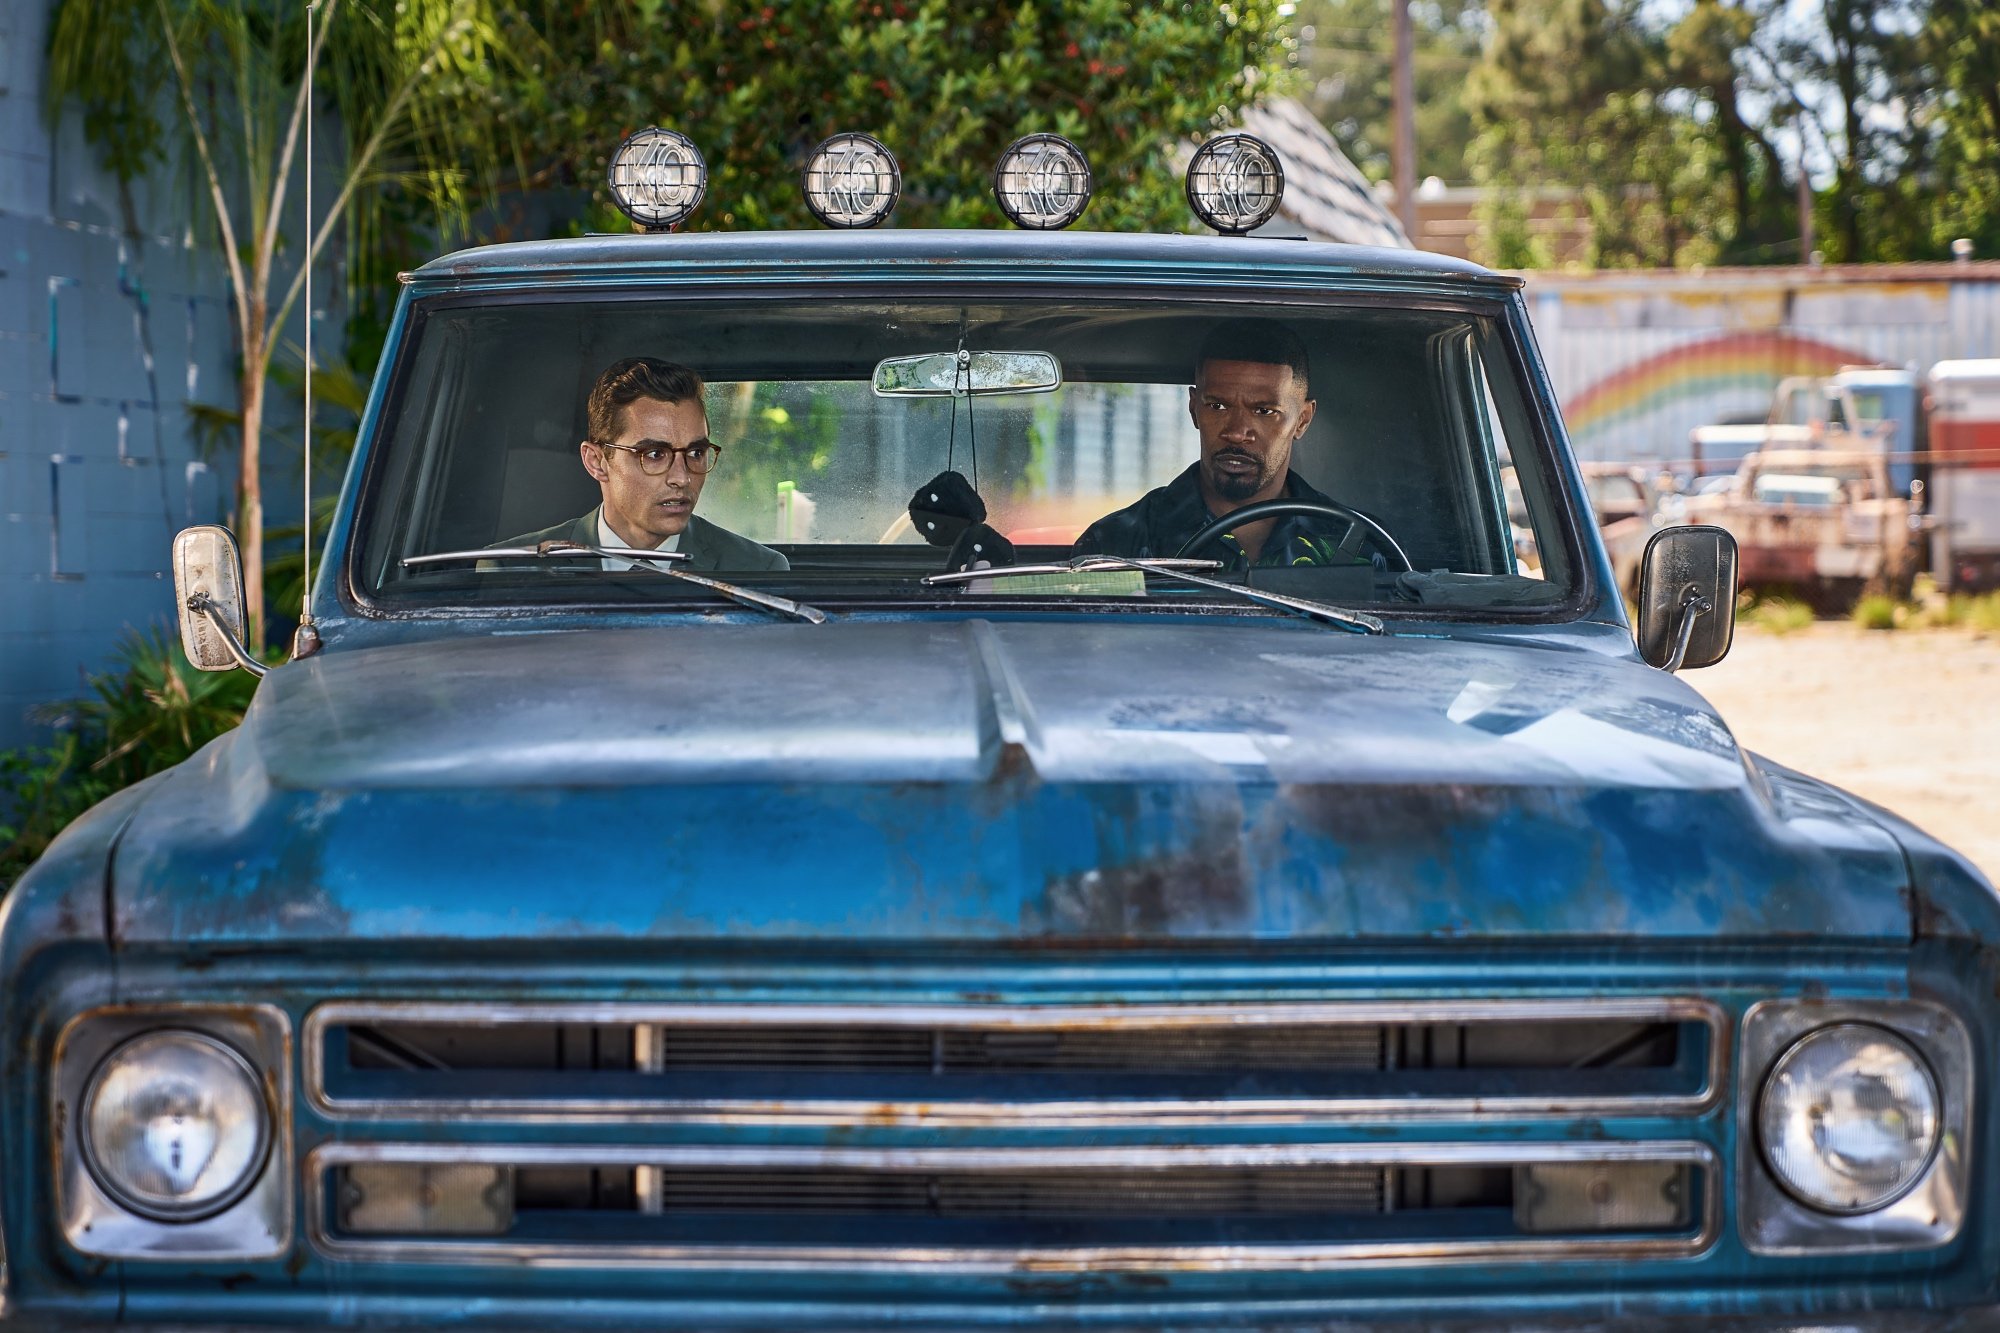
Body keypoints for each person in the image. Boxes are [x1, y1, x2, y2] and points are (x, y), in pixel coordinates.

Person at [1072, 319, 1363, 570]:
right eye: (1218, 406)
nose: (1237, 432)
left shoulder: (1357, 543)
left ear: (1302, 420)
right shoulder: (1115, 546)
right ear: (1193, 409)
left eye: (1264, 411)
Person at [508, 357, 787, 571]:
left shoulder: (757, 569)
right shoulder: (513, 568)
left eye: (695, 453)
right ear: (597, 462)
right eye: (654, 454)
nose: (682, 478)